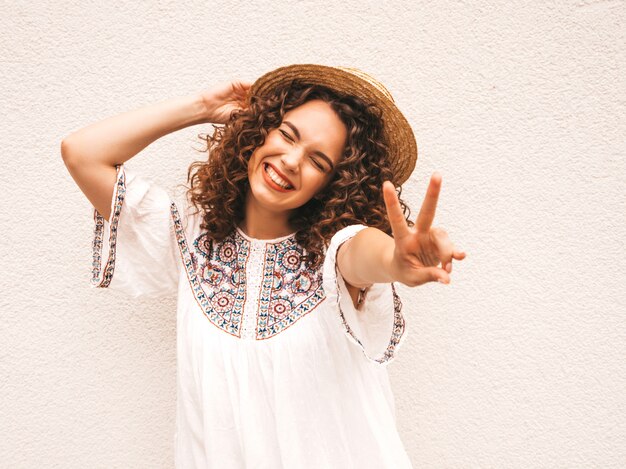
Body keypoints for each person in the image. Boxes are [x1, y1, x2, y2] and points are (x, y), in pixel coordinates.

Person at [61, 64, 466, 469]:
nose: (291, 160)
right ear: (259, 132)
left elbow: (366, 252)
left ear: (335, 185)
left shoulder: (335, 256)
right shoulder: (191, 235)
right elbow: (82, 153)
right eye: (287, 135)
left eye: (318, 162)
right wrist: (203, 106)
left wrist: (398, 259)